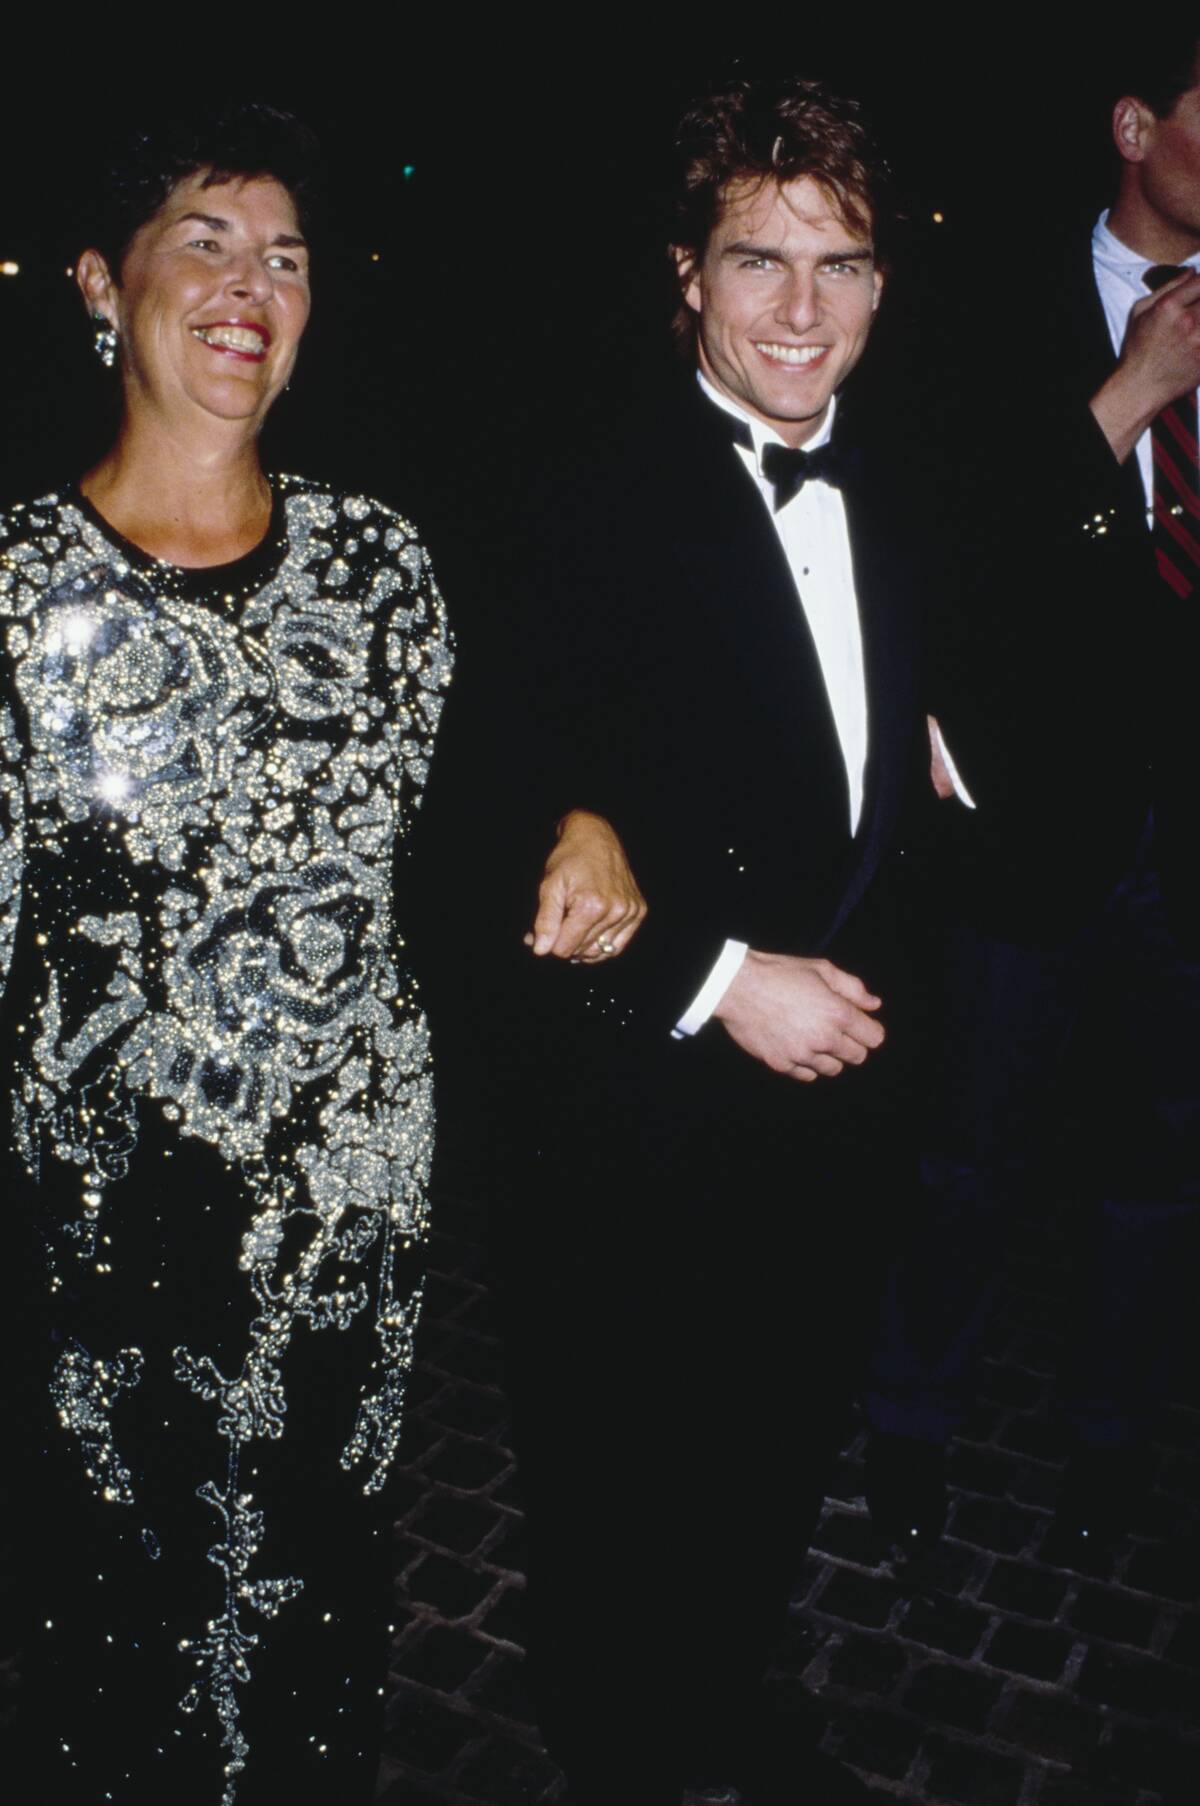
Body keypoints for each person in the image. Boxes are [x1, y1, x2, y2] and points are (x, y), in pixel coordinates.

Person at [0, 100, 642, 1804]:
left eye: (282, 255)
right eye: (201, 240)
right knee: (118, 1628)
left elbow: (506, 775)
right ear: (97, 284)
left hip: (352, 1206)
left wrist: (583, 821)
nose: (247, 285)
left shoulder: (380, 564)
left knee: (314, 1600)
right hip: (100, 1240)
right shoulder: (13, 591)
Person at [418, 74, 939, 1806]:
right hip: (639, 1117)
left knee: (774, 1454)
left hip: (840, 1110)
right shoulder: (564, 491)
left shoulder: (904, 477)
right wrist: (721, 976)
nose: (805, 307)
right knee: (617, 1484)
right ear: (685, 279)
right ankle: (627, 1746)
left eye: (842, 263)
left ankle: (721, 1693)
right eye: (760, 260)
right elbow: (481, 816)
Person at [863, 30, 1200, 1565]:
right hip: (1037, 821)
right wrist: (1125, 400)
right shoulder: (996, 302)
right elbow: (962, 551)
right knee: (967, 1156)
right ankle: (912, 1433)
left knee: (1159, 1168)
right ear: (1137, 127)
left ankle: (1113, 1449)